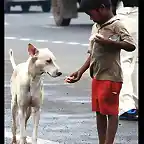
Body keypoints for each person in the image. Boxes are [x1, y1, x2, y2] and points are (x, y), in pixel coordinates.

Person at [65, 0, 136, 143]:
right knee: (99, 112)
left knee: (111, 112)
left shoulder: (117, 25)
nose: (91, 18)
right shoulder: (96, 27)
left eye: (91, 14)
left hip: (111, 77)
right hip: (97, 76)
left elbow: (131, 45)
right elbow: (92, 53)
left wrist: (112, 43)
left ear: (102, 8)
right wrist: (80, 71)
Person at [115, 0, 138, 120]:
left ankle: (127, 106)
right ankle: (134, 103)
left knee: (125, 60)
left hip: (127, 11)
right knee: (136, 60)